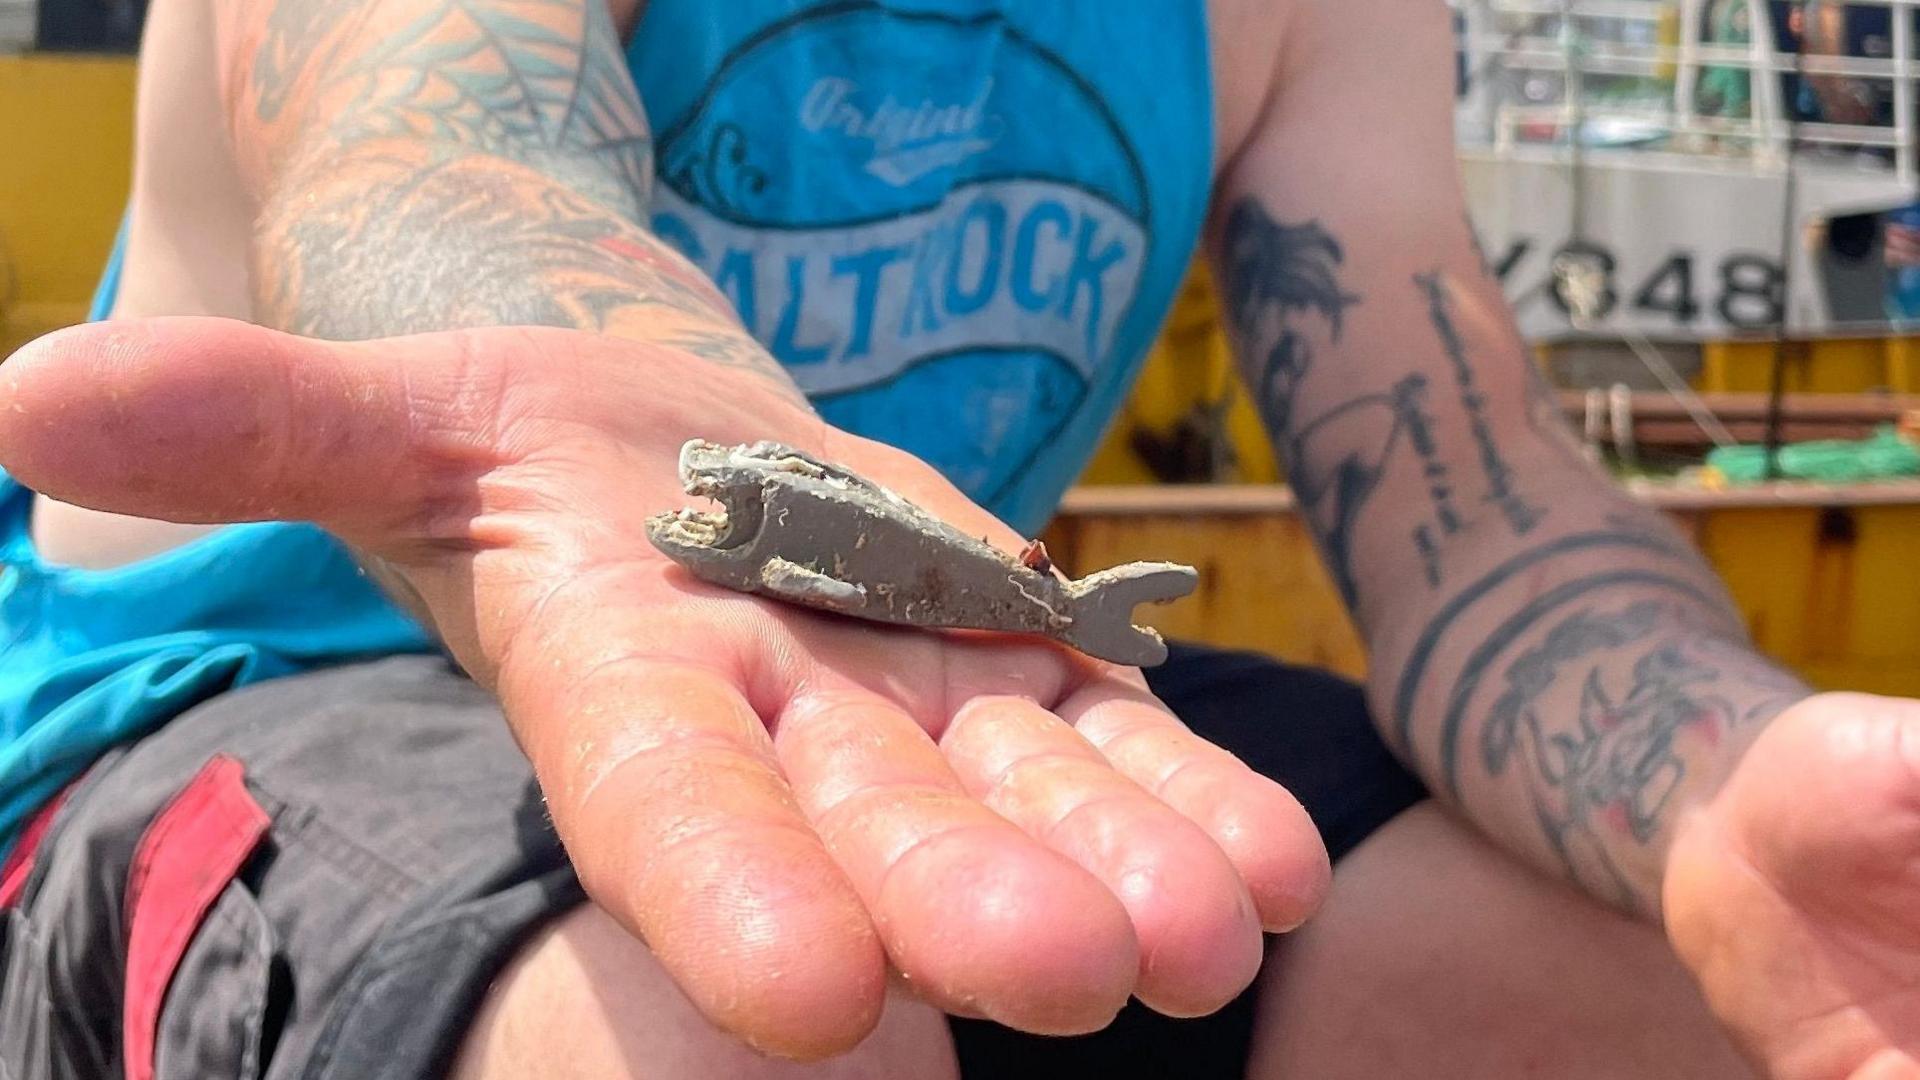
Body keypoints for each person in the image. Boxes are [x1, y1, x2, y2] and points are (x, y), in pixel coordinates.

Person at [0, 1, 1914, 1077]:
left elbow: (1467, 502)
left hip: (955, 684)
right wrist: (595, 394)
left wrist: (1710, 787)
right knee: (749, 1033)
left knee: (1676, 985)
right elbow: (428, 137)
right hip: (262, 688)